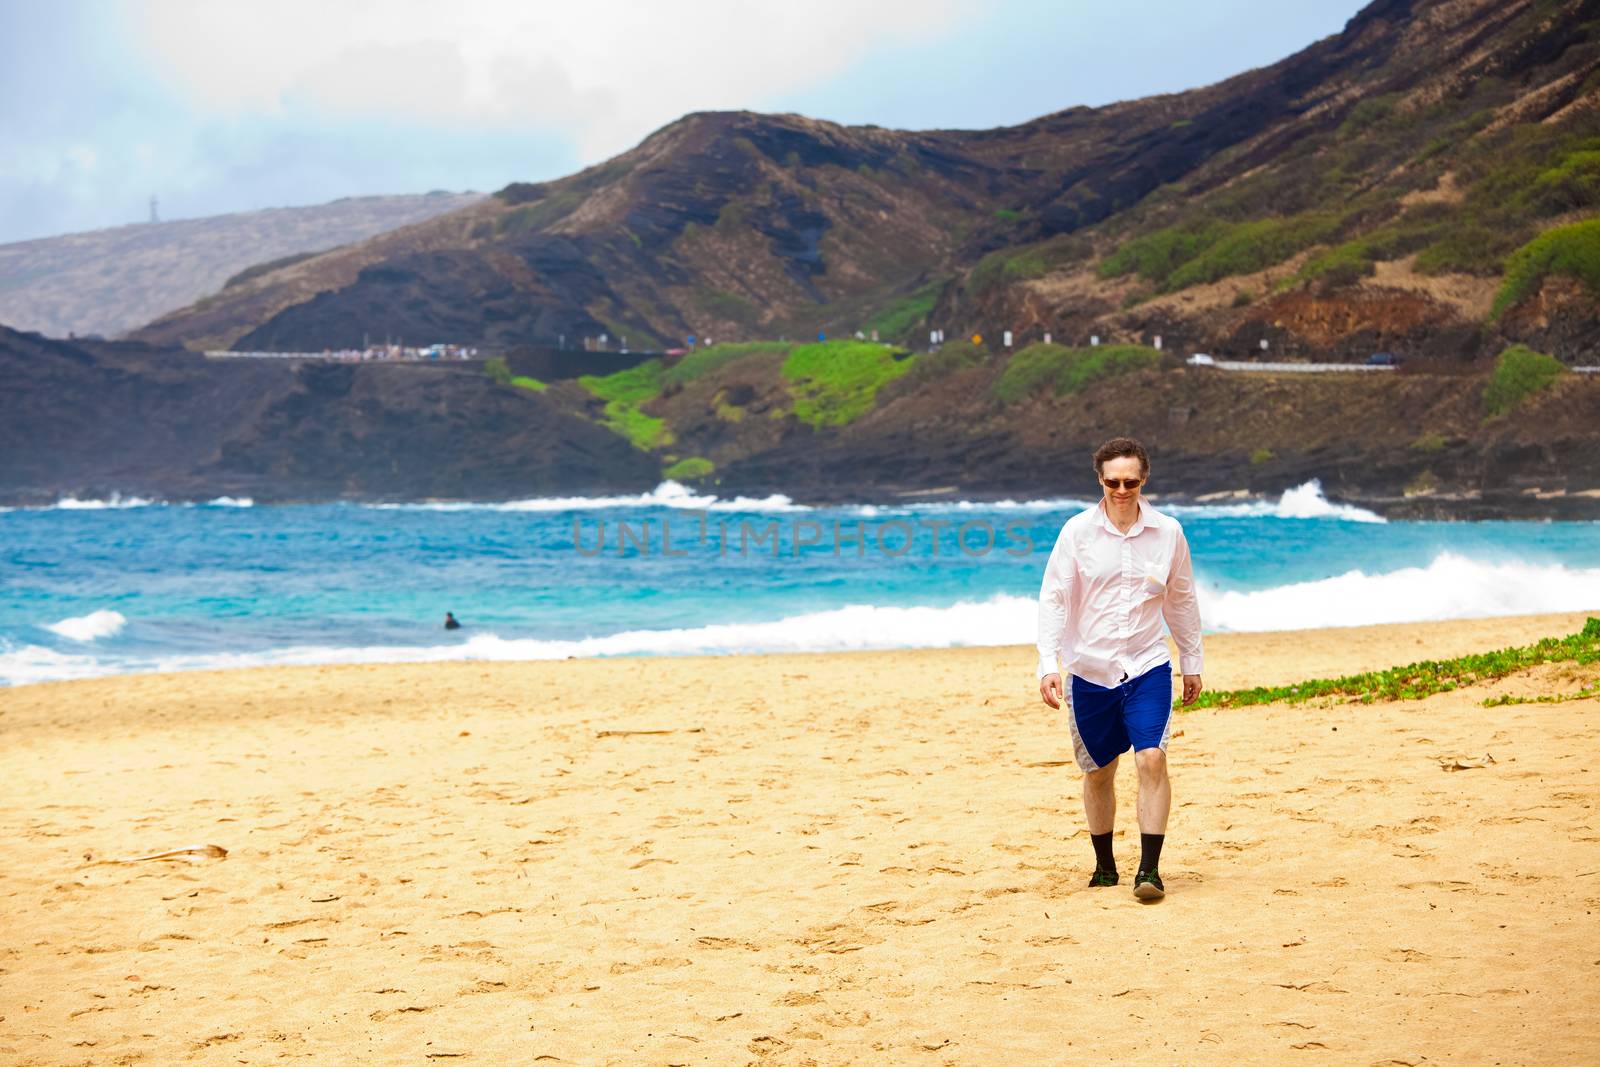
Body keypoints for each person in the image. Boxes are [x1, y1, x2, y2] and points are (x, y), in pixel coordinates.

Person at [1036, 436, 1203, 901]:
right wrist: (1048, 664)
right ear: (1100, 480)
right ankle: (1105, 867)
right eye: (1113, 482)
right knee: (1099, 772)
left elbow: (1182, 598)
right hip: (1090, 670)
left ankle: (1149, 871)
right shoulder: (1076, 533)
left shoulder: (1168, 532)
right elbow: (1054, 597)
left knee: (1152, 757)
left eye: (1131, 481)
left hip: (1148, 664)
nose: (1122, 490)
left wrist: (1191, 661)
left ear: (1144, 479)